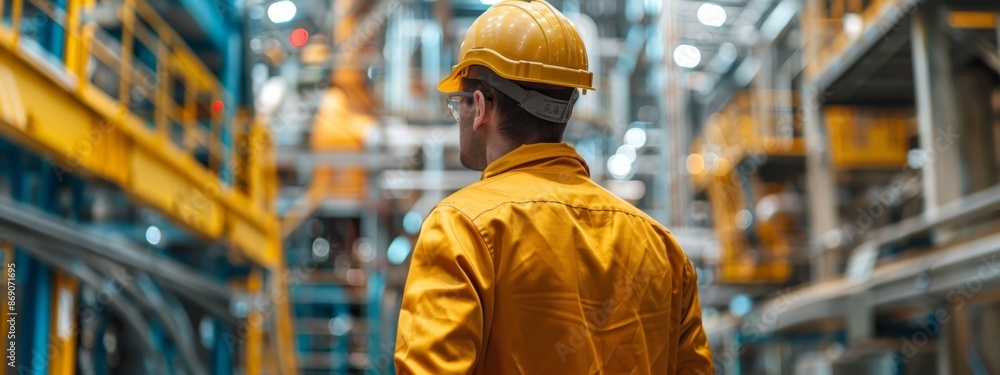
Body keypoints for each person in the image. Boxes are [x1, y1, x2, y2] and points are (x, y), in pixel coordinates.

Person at [394, 1, 715, 373]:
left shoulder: (461, 227)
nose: (460, 116)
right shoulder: (663, 248)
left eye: (459, 103)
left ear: (480, 106)